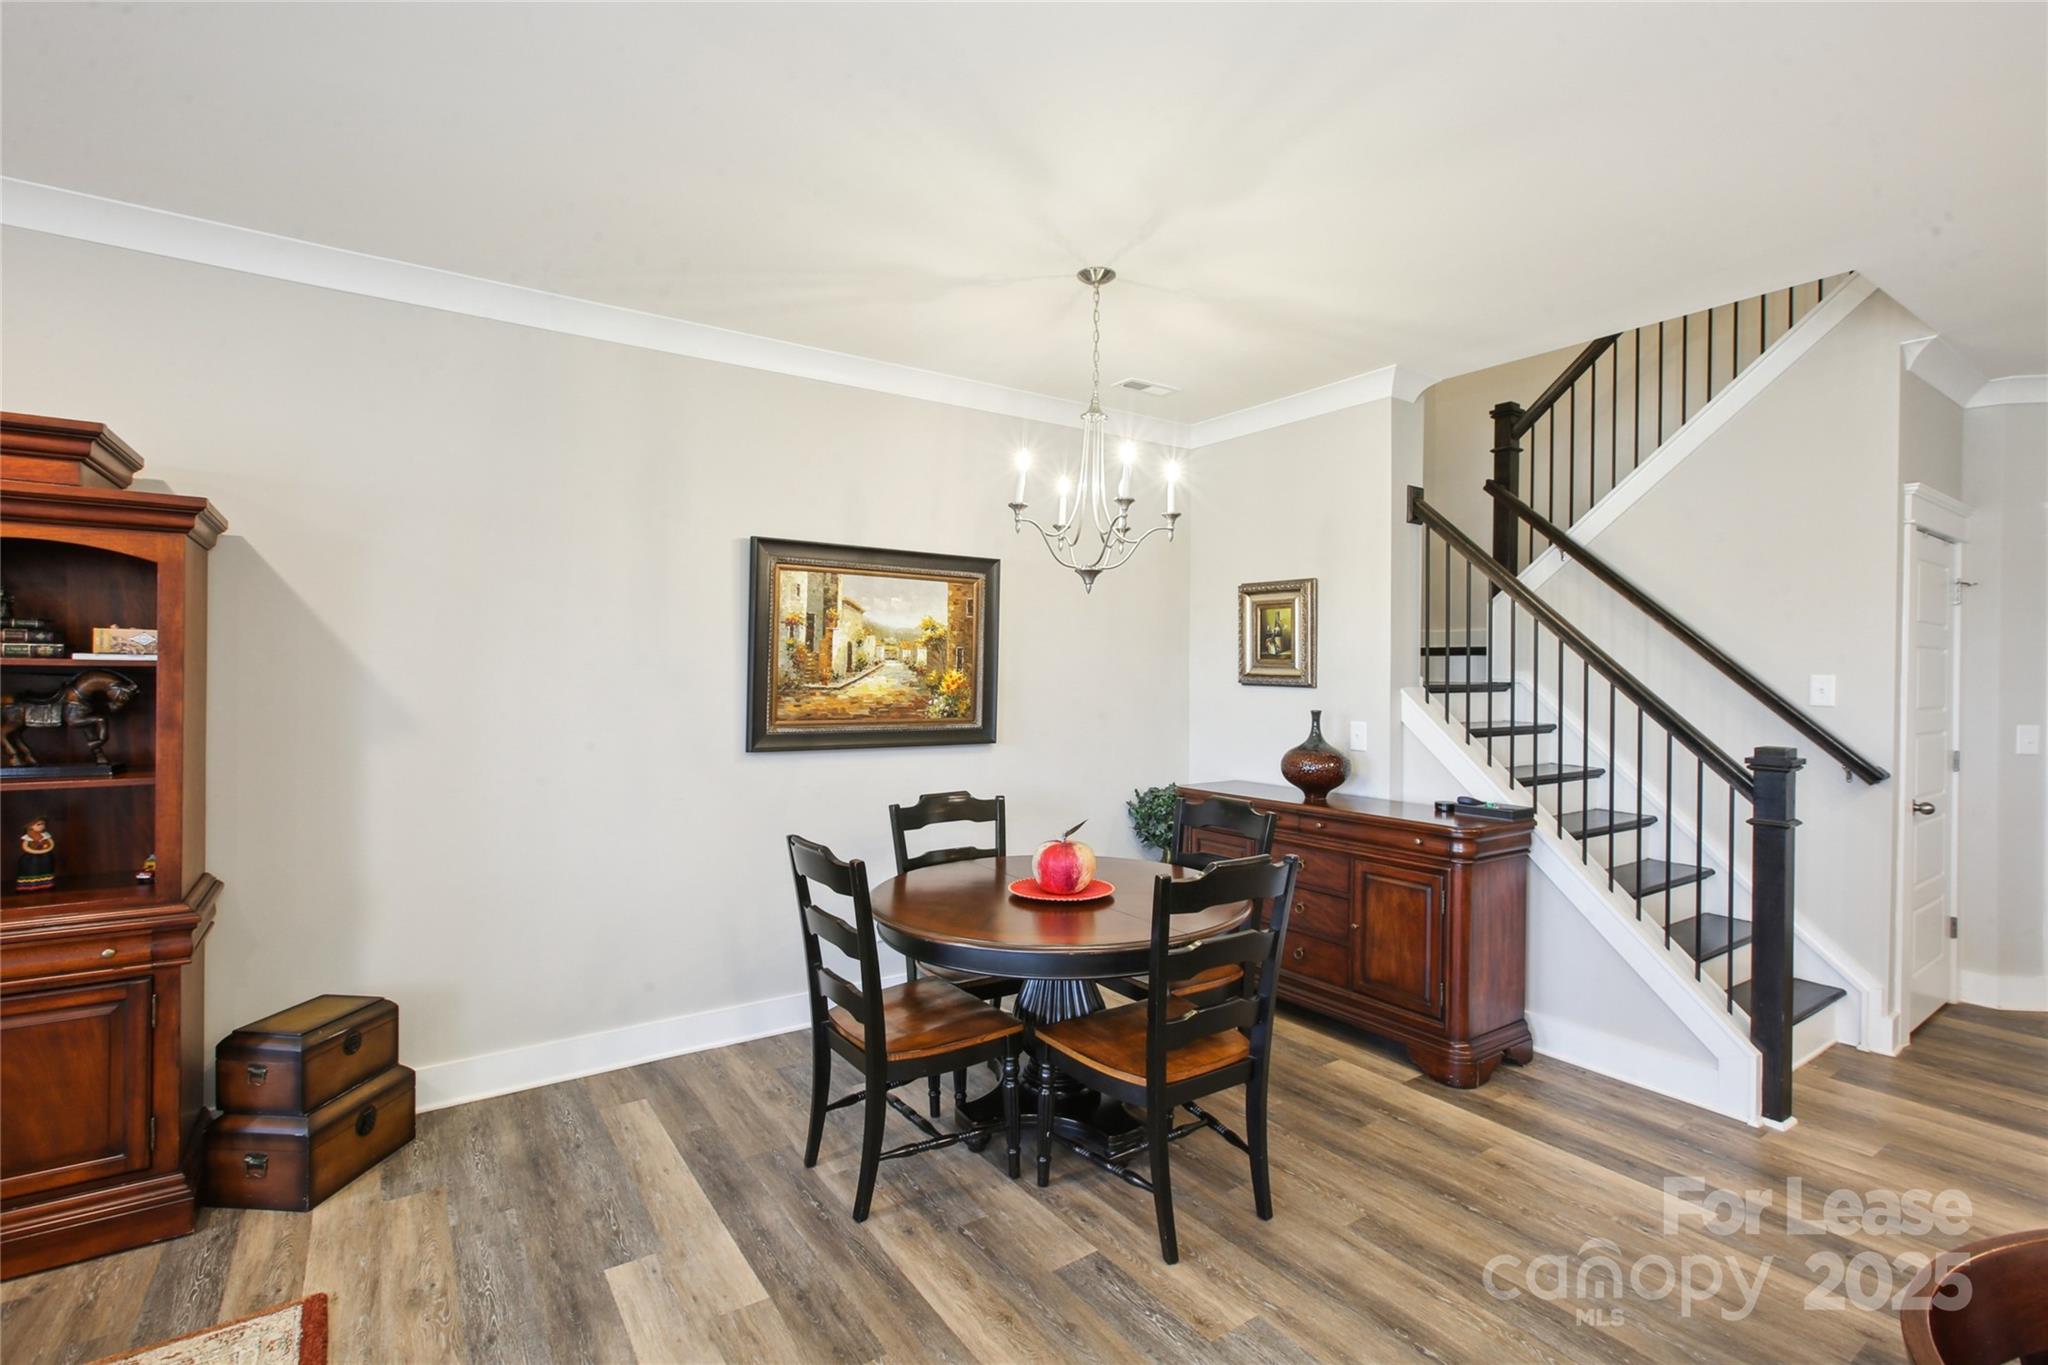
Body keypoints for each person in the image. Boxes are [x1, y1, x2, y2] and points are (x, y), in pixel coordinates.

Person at [16, 817, 55, 893]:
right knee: (33, 868)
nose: (41, 826)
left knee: (46, 866)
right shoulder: (28, 836)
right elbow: (25, 847)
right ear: (30, 826)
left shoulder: (45, 835)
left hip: (45, 856)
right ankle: (32, 885)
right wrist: (36, 852)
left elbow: (51, 843)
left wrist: (47, 849)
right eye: (38, 824)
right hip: (32, 858)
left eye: (43, 824)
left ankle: (45, 884)